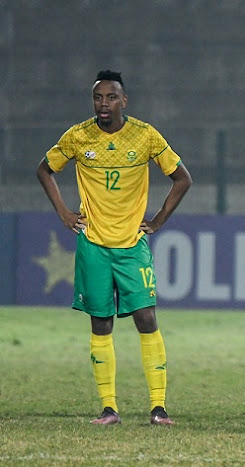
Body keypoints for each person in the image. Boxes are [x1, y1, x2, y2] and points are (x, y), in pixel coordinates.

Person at [36, 70, 192, 425]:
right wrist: (63, 211)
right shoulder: (78, 136)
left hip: (132, 246)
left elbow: (182, 178)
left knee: (147, 319)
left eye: (110, 97)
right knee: (100, 323)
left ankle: (158, 407)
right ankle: (109, 408)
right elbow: (45, 170)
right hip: (93, 244)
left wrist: (157, 221)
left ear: (124, 100)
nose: (103, 104)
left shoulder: (145, 135)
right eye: (98, 97)